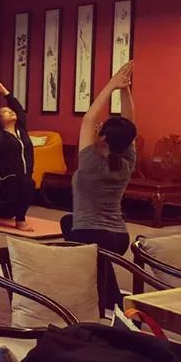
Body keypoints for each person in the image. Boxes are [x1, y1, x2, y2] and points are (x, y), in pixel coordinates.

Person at [62, 60, 136, 312]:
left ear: (102, 137)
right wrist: (125, 89)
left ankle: (111, 300)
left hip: (91, 235)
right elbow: (130, 125)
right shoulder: (127, 161)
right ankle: (104, 287)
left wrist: (112, 84)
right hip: (120, 237)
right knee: (67, 221)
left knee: (72, 227)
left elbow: (88, 119)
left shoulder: (90, 162)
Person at [0, 76, 36, 231]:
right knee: (27, 183)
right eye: (5, 112)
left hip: (21, 181)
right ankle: (20, 220)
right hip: (3, 180)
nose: (11, 112)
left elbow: (18, 108)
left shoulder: (22, 131)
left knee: (6, 211)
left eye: (11, 111)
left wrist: (5, 92)